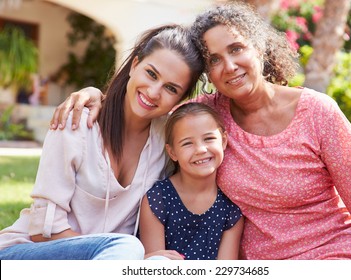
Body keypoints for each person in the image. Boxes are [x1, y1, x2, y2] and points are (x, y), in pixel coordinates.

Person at [49, 2, 351, 260]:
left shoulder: (317, 112)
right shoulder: (207, 117)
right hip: (256, 267)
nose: (228, 66)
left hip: (333, 254)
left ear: (259, 48)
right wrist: (97, 96)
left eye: (236, 49)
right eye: (213, 59)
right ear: (207, 74)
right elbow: (150, 103)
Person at [0, 24, 205, 260]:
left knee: (160, 262)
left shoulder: (167, 141)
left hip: (110, 261)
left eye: (171, 88)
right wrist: (121, 254)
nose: (154, 91)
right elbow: (42, 232)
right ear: (135, 65)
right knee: (130, 249)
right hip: (25, 253)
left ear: (180, 99)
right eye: (151, 73)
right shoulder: (76, 121)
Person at [139, 102, 243, 260]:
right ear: (172, 152)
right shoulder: (157, 199)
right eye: (187, 143)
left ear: (223, 141)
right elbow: (154, 262)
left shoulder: (231, 207)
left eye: (208, 138)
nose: (201, 149)